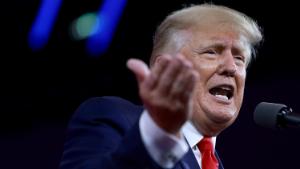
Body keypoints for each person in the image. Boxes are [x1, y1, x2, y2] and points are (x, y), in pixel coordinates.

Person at [59, 3, 262, 169]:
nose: (231, 67)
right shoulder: (111, 116)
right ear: (164, 69)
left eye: (239, 58)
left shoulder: (215, 163)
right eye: (211, 52)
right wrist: (159, 138)